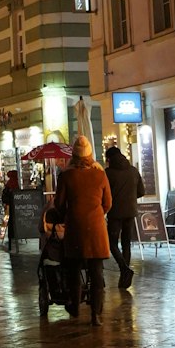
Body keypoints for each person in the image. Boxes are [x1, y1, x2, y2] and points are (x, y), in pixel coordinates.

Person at [54, 136, 112, 326]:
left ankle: (75, 307)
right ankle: (95, 314)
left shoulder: (66, 176)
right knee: (96, 271)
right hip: (96, 228)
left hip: (75, 227)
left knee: (74, 268)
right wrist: (96, 214)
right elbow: (108, 203)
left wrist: (68, 215)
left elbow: (59, 204)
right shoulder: (100, 174)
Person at [104, 144, 145, 289]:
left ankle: (124, 269)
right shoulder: (133, 171)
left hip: (115, 213)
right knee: (126, 244)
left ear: (109, 158)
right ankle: (124, 276)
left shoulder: (107, 173)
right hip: (130, 213)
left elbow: (104, 194)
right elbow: (141, 191)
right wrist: (130, 197)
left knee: (111, 243)